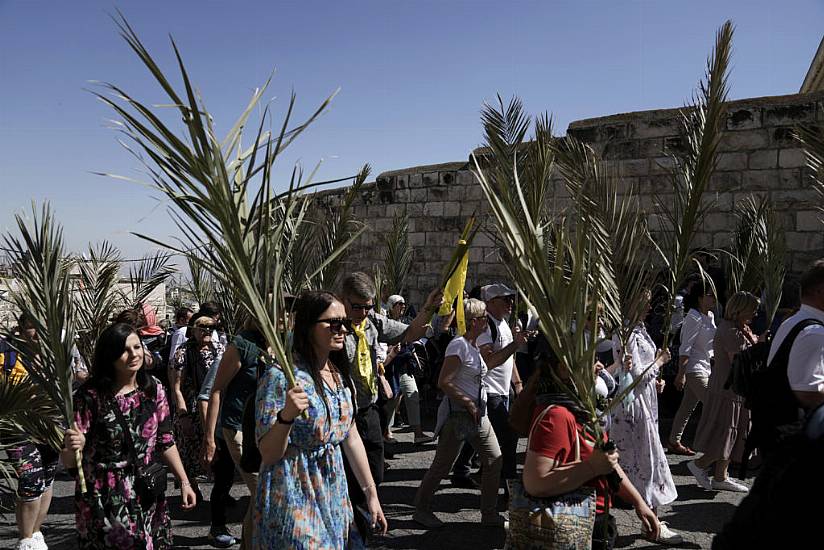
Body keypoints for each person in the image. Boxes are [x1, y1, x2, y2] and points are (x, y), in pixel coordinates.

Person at [254, 290, 388, 548]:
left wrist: (371, 494)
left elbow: (351, 437)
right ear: (308, 326)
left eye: (345, 323)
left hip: (333, 492)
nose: (342, 330)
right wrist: (286, 417)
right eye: (333, 323)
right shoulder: (281, 377)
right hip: (293, 489)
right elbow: (269, 454)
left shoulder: (339, 375)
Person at [61, 322, 196, 548]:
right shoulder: (90, 396)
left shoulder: (154, 388)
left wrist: (184, 481)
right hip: (106, 494)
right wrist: (73, 446)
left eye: (137, 347)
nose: (134, 354)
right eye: (125, 350)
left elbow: (165, 441)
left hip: (147, 487)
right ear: (109, 356)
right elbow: (71, 463)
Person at [522, 338, 660, 550]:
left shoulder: (580, 408)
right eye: (591, 360)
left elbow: (607, 464)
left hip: (591, 521)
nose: (600, 366)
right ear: (563, 369)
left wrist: (638, 502)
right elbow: (535, 482)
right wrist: (592, 467)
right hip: (574, 525)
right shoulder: (558, 415)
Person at [334, 272, 442, 538]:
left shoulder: (373, 322)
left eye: (367, 306)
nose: (361, 312)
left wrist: (429, 306)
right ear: (342, 300)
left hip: (367, 410)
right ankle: (355, 528)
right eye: (356, 306)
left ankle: (359, 515)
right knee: (348, 477)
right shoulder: (332, 327)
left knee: (375, 470)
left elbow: (410, 332)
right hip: (342, 413)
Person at [413, 298, 506, 528]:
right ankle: (421, 510)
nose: (487, 320)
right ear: (474, 321)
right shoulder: (459, 345)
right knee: (442, 467)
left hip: (476, 414)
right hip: (459, 416)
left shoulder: (472, 345)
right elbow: (444, 382)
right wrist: (468, 403)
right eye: (484, 316)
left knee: (494, 460)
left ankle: (489, 514)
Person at [610, 292, 682, 544]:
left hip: (646, 401)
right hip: (633, 406)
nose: (649, 305)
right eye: (645, 300)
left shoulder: (639, 329)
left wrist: (656, 380)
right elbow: (635, 375)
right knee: (645, 461)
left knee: (646, 459)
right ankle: (651, 521)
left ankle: (650, 520)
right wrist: (659, 362)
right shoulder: (625, 332)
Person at [451, 284, 527, 489]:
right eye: (505, 299)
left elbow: (511, 360)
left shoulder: (503, 324)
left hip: (503, 391)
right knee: (509, 436)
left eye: (511, 299)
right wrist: (515, 345)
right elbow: (488, 363)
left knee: (478, 433)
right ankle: (508, 485)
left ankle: (463, 470)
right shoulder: (486, 328)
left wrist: (517, 384)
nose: (510, 303)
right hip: (489, 390)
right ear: (491, 302)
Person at [203, 321, 267, 550]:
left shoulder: (285, 343)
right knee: (263, 490)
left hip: (268, 429)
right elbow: (216, 390)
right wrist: (210, 439)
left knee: (262, 495)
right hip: (238, 427)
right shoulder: (243, 344)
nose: (283, 314)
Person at [689, 291, 759, 493]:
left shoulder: (740, 328)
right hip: (727, 389)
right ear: (741, 309)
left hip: (737, 390)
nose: (754, 314)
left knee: (734, 431)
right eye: (752, 310)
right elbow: (740, 360)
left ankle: (721, 476)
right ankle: (700, 464)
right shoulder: (729, 330)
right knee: (725, 432)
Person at [5, 314, 59, 550]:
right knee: (30, 479)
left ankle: (36, 533)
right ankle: (25, 539)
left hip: (49, 425)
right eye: (31, 328)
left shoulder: (57, 352)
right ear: (21, 328)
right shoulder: (6, 352)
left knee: (46, 479)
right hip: (17, 428)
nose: (37, 333)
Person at [170, 313, 225, 498]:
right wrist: (182, 414)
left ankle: (221, 491)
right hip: (190, 407)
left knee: (216, 449)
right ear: (192, 330)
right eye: (202, 327)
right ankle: (191, 486)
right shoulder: (183, 352)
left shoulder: (220, 349)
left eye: (211, 327)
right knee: (189, 449)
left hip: (214, 407)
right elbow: (176, 387)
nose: (207, 331)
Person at [196, 346, 240, 548]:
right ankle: (217, 527)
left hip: (257, 432)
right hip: (227, 432)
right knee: (223, 481)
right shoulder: (228, 356)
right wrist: (209, 438)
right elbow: (206, 397)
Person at [668, 279, 717, 455]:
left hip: (705, 367)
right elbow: (686, 347)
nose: (714, 299)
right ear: (700, 298)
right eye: (710, 295)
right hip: (694, 369)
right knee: (713, 405)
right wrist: (681, 374)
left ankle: (674, 440)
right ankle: (713, 447)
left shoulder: (709, 317)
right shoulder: (693, 317)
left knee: (687, 406)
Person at [382, 294, 433, 444]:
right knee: (392, 401)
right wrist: (391, 349)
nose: (403, 306)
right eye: (399, 304)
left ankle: (417, 433)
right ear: (392, 306)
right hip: (390, 367)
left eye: (404, 304)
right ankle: (387, 432)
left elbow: (413, 337)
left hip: (405, 366)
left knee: (412, 396)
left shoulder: (406, 321)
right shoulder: (386, 323)